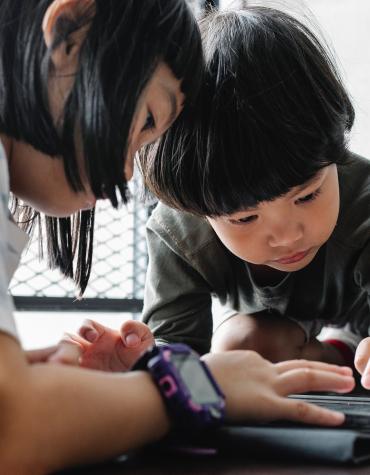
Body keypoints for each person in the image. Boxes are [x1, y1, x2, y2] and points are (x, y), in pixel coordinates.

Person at [0, 1, 356, 473]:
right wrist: (198, 387)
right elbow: (13, 430)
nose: (125, 171)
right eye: (146, 122)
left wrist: (94, 392)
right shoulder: (178, 234)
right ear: (69, 32)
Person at [136, 6, 370, 384]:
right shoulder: (180, 231)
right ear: (199, 209)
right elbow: (173, 350)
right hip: (271, 331)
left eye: (307, 196)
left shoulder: (363, 198)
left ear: (335, 155)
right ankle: (334, 358)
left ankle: (352, 351)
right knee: (238, 348)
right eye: (245, 218)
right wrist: (135, 368)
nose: (288, 236)